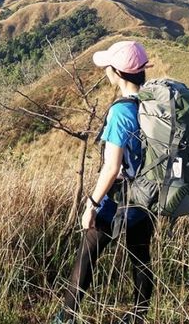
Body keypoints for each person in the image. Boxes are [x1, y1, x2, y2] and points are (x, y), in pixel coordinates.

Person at [53, 40, 155, 324]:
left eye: (109, 68)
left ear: (117, 73)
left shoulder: (121, 111)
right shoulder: (152, 103)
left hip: (119, 198)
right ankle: (138, 316)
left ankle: (66, 318)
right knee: (140, 258)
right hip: (148, 196)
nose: (106, 72)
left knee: (87, 254)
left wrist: (92, 203)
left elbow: (111, 168)